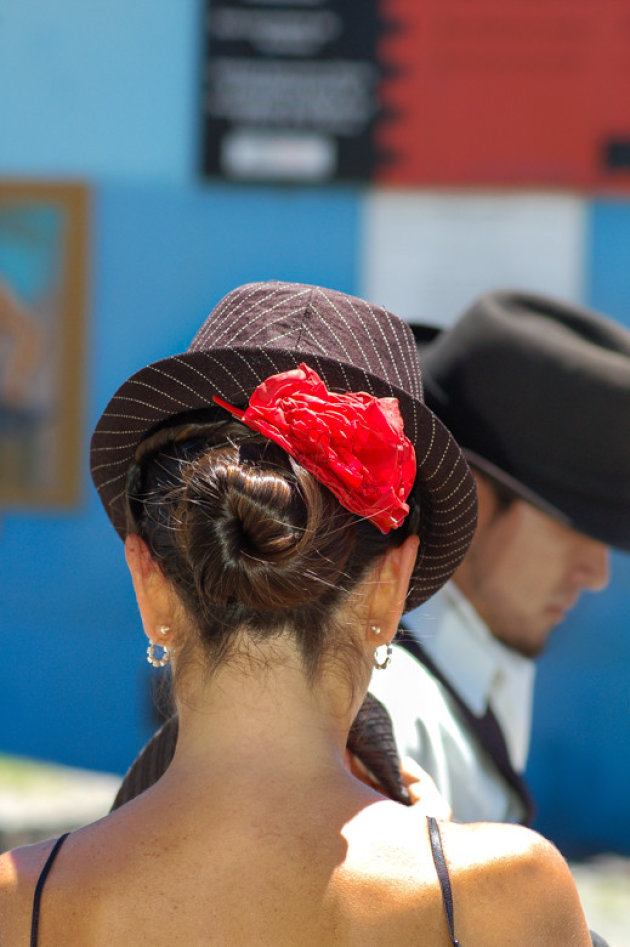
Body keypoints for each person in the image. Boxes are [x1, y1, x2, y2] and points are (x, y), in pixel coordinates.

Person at [0, 282, 593, 945]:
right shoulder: (508, 893)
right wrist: (444, 856)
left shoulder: (23, 899)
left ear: (151, 586)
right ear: (389, 591)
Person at [371, 289, 630, 826]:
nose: (598, 574)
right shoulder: (388, 711)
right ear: (469, 498)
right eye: (575, 527)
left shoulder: (468, 668)